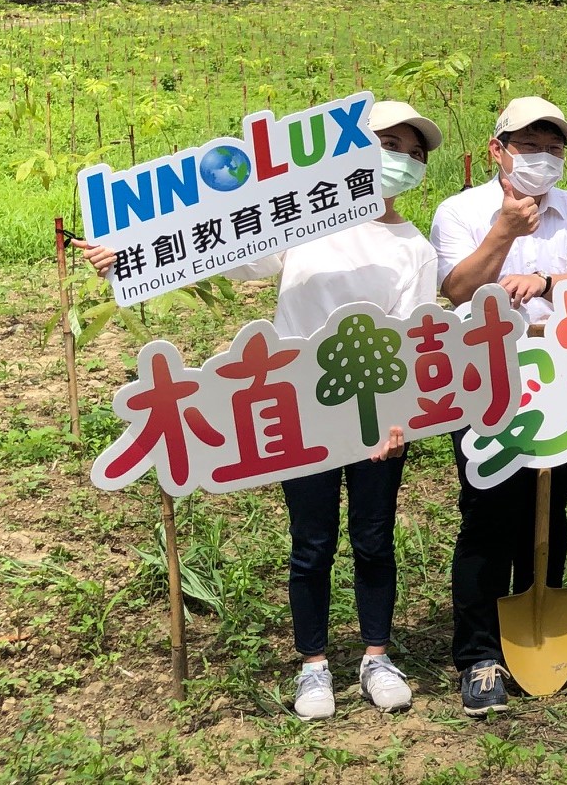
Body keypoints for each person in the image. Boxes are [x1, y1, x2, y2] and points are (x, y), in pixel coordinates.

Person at [79, 100, 444, 721]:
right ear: (354, 149)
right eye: (390, 145)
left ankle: (377, 656)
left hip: (373, 409)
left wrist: (397, 420)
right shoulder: (306, 217)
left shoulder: (414, 247)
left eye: (414, 154)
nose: (402, 161)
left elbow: (410, 340)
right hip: (299, 406)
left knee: (374, 538)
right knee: (312, 542)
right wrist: (131, 255)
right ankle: (313, 665)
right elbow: (220, 251)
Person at [429, 96, 567, 716]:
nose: (542, 158)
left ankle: (533, 625)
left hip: (562, 374)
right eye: (529, 146)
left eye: (553, 149)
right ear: (497, 150)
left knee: (549, 502)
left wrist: (550, 282)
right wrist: (505, 231)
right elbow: (456, 288)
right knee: (487, 508)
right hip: (485, 374)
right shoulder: (459, 212)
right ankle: (479, 654)